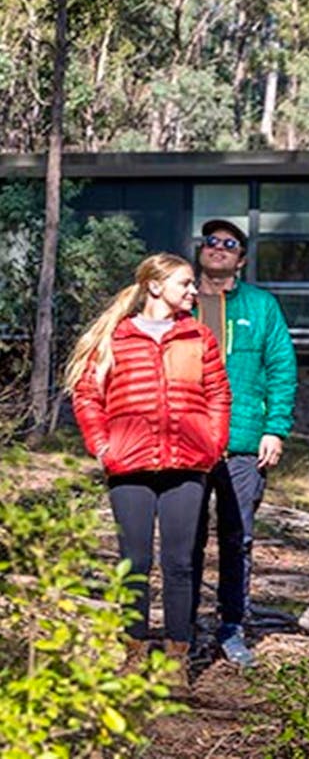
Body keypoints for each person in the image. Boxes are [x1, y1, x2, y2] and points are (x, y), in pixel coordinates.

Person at [65, 252, 231, 691]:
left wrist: (212, 444)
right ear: (156, 287)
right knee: (134, 563)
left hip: (187, 464)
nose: (194, 291)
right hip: (129, 465)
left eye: (193, 284)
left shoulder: (198, 336)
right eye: (185, 283)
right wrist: (102, 447)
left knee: (179, 563)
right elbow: (87, 396)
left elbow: (218, 393)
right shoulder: (116, 338)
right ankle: (133, 653)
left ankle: (176, 658)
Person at [192, 219, 297, 666]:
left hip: (243, 443)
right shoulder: (181, 301)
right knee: (186, 542)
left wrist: (274, 428)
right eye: (210, 241)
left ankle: (232, 627)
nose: (217, 247)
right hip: (187, 445)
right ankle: (186, 628)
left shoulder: (262, 306)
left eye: (228, 244)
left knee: (238, 539)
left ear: (242, 258)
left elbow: (282, 369)